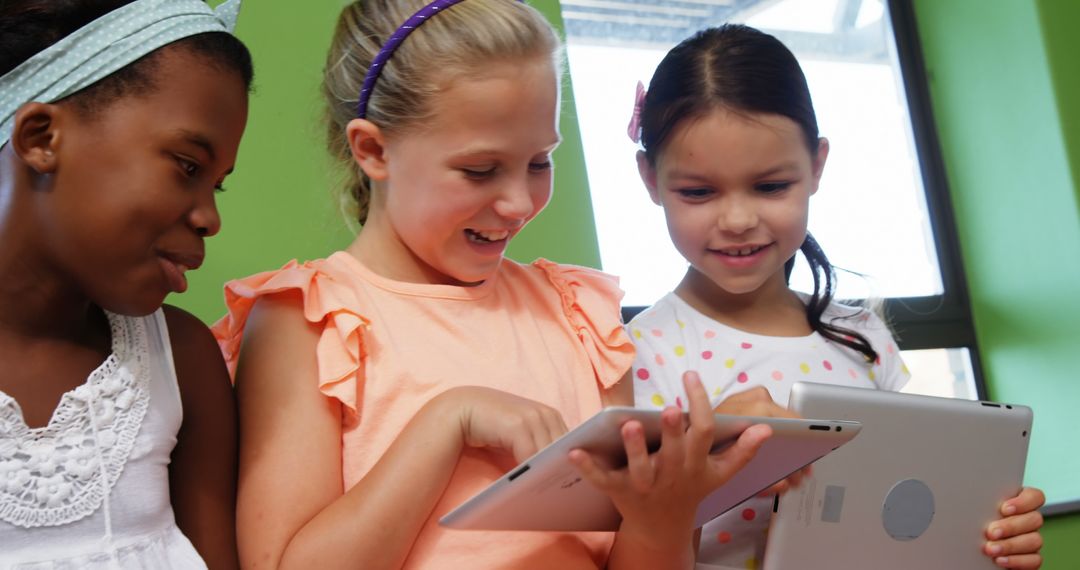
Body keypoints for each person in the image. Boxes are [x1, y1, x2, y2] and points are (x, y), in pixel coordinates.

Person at [209, 2, 791, 569]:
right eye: (480, 170)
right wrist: (449, 419)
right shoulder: (308, 321)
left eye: (540, 162)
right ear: (373, 149)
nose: (518, 203)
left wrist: (667, 505)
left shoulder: (578, 316)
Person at [625, 24, 1046, 570]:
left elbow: (912, 522)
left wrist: (992, 532)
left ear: (817, 166)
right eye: (699, 192)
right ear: (650, 179)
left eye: (771, 186)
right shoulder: (637, 357)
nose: (737, 219)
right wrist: (703, 462)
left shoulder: (862, 338)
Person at [0, 0, 253, 567]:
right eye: (189, 166)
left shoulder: (181, 361)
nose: (210, 217)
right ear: (42, 137)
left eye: (219, 185)